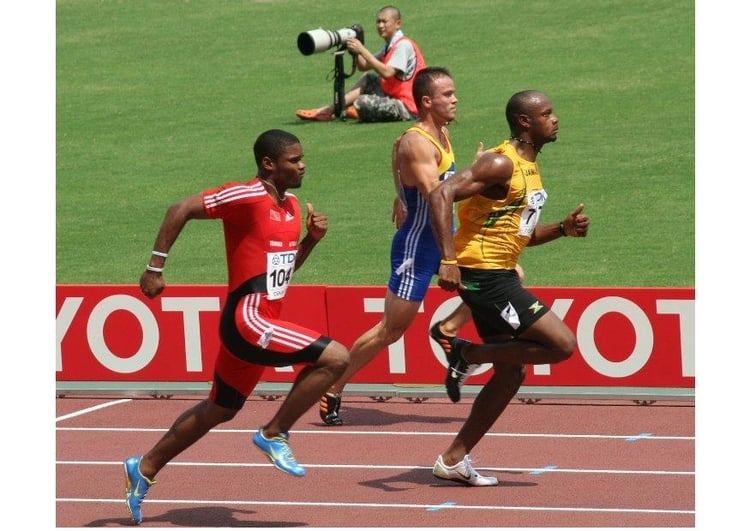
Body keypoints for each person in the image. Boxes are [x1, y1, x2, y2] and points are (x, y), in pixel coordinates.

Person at [123, 129, 350, 524]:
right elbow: (180, 208)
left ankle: (144, 467)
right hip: (248, 320)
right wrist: (154, 267)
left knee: (220, 410)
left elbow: (281, 272)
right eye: (294, 160)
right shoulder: (245, 196)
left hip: (262, 323)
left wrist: (311, 241)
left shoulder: (293, 206)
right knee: (336, 358)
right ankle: (274, 433)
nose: (302, 165)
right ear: (269, 164)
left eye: (301, 158)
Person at [427, 90, 589, 487]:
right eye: (546, 114)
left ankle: (452, 459)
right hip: (485, 275)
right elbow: (440, 193)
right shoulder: (501, 162)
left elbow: (522, 236)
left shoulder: (530, 168)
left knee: (511, 373)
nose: (555, 120)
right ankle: (469, 351)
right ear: (524, 122)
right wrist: (448, 260)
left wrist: (562, 231)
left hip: (496, 270)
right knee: (563, 345)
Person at [317, 66, 457, 426]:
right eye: (448, 95)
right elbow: (437, 195)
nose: (455, 99)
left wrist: (400, 194)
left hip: (443, 239)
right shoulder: (418, 141)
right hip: (419, 249)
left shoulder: (440, 132)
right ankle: (334, 385)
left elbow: (396, 153)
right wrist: (448, 257)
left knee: (508, 274)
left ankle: (449, 332)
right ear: (427, 102)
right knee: (390, 331)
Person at [295, 5, 426, 123]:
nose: (380, 26)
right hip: (394, 96)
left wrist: (361, 49)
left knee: (361, 102)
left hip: (408, 107)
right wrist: (355, 49)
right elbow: (363, 66)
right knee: (368, 79)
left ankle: (352, 110)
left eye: (384, 21)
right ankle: (329, 110)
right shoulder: (390, 45)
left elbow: (387, 73)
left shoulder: (403, 45)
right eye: (378, 21)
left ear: (397, 24)